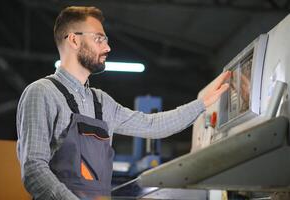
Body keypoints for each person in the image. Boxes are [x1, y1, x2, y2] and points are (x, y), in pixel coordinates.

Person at [16, 6, 230, 200]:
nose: (108, 47)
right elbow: (34, 169)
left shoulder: (101, 102)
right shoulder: (41, 93)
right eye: (99, 39)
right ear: (74, 40)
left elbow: (152, 125)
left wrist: (202, 103)